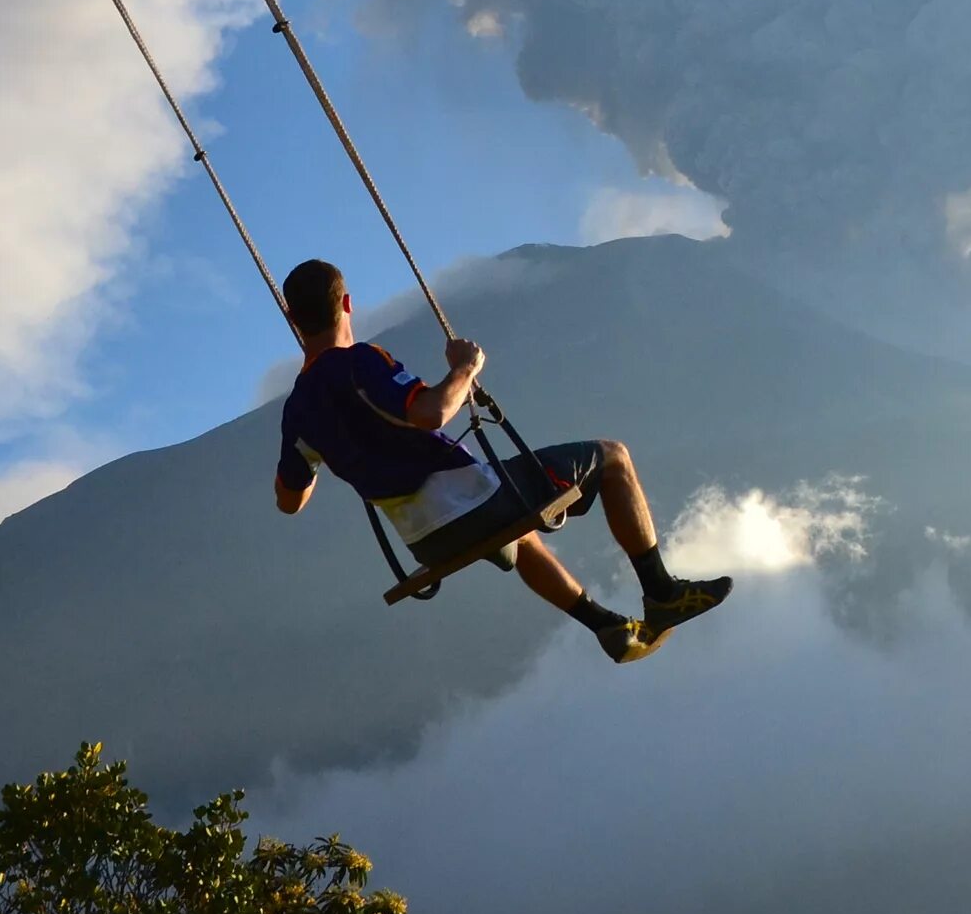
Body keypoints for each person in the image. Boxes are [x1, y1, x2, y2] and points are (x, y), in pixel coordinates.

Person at [270, 258, 730, 663]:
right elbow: (430, 413)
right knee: (614, 457)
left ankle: (607, 627)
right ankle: (662, 592)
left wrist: (326, 452)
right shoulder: (361, 361)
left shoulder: (299, 411)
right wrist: (465, 369)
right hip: (473, 501)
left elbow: (290, 501)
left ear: (292, 319)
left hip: (424, 540)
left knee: (525, 538)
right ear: (347, 304)